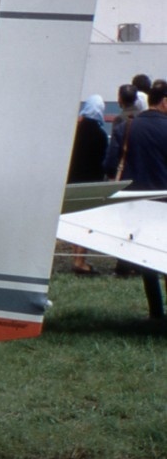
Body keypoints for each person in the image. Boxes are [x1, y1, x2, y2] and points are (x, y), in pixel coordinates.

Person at [116, 81, 167, 318]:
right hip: (164, 199)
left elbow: (109, 163)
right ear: (165, 101)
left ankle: (155, 311)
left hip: (137, 201)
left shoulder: (129, 126)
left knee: (147, 258)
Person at [67, 96, 109, 274]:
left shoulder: (74, 129)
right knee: (86, 223)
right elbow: (103, 162)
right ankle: (80, 260)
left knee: (73, 221)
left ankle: (74, 257)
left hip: (72, 181)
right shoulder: (100, 135)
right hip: (91, 183)